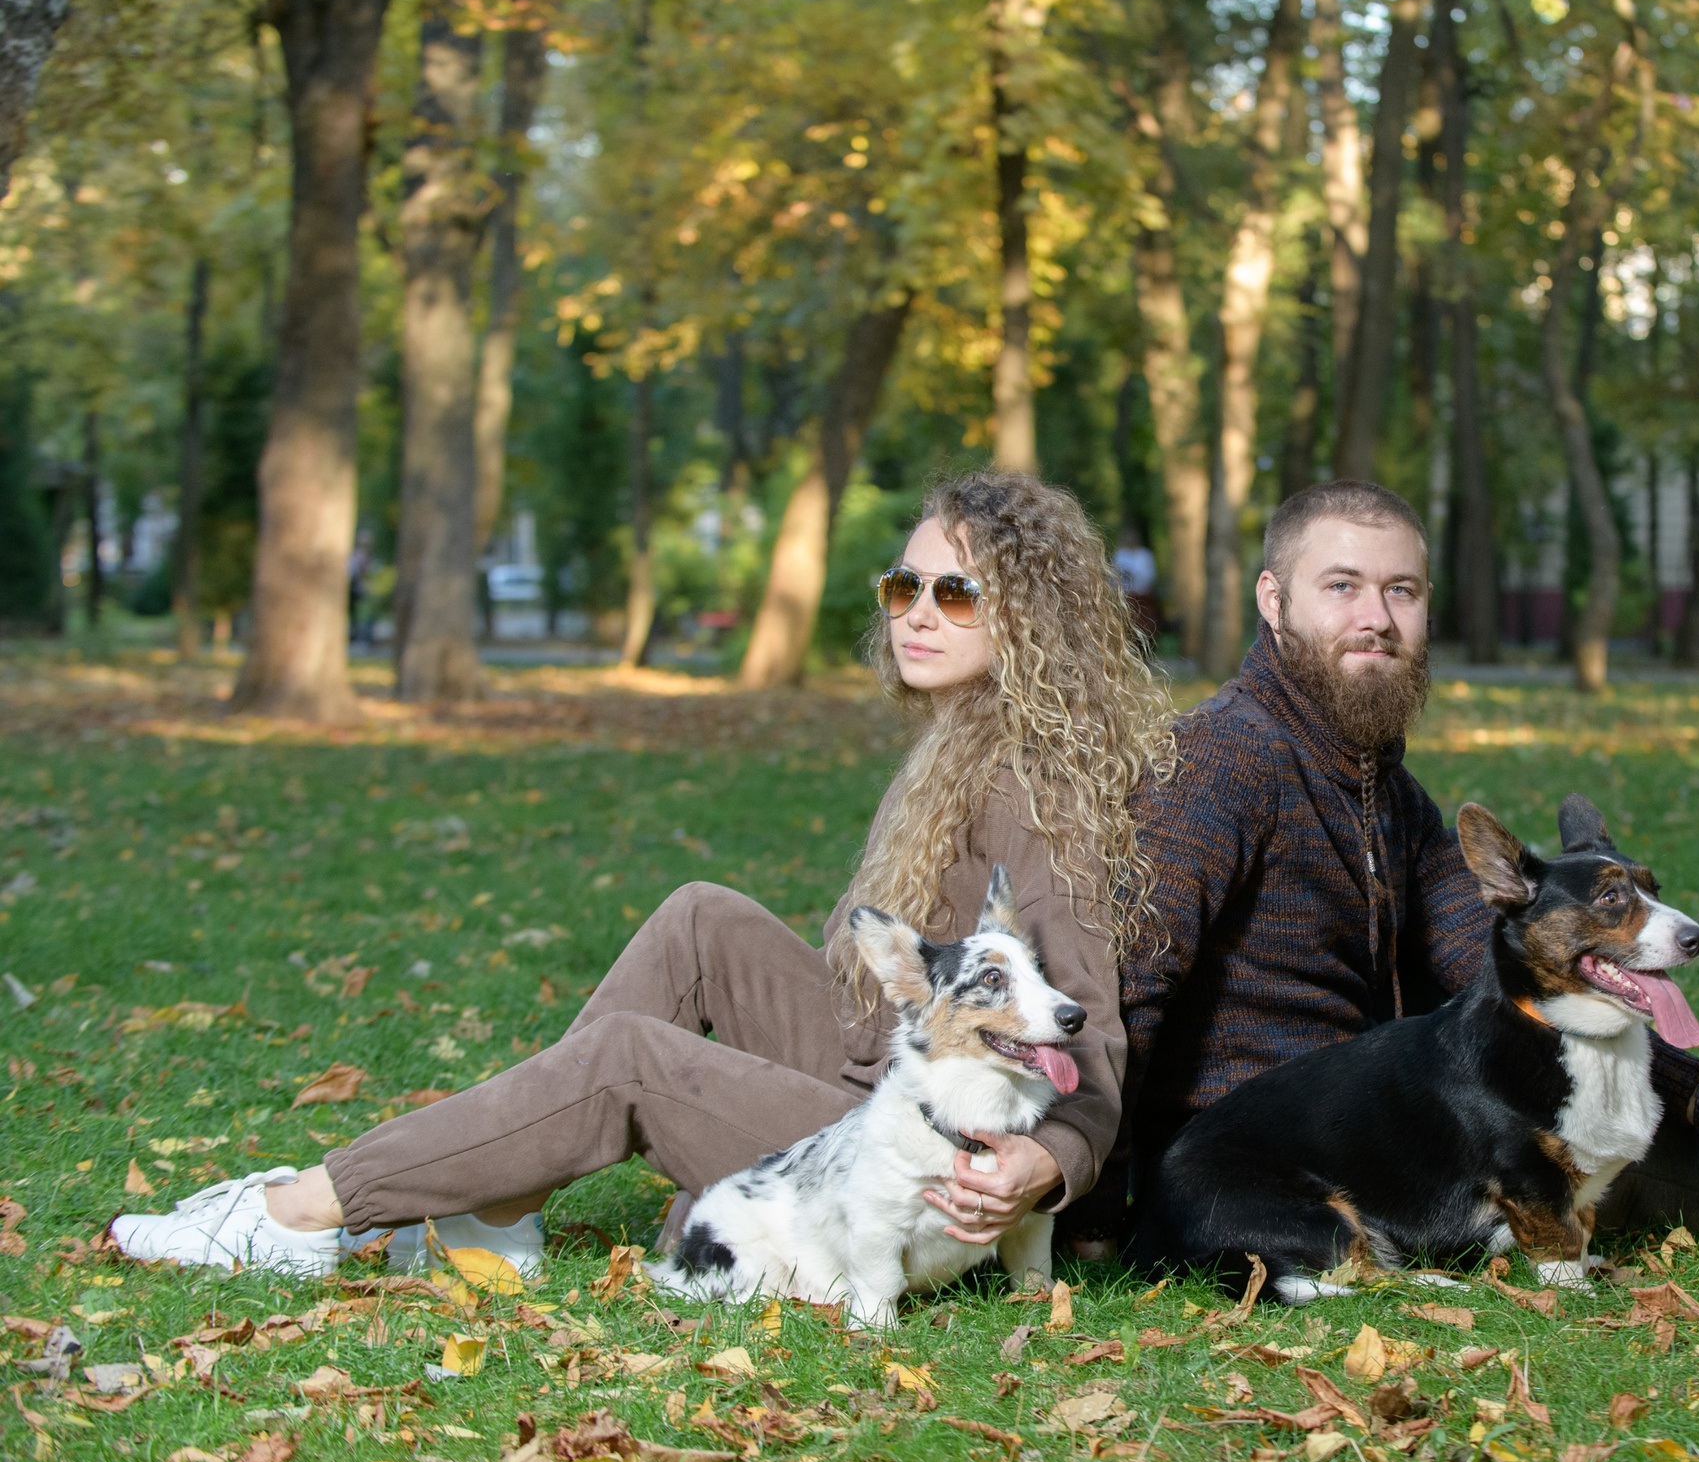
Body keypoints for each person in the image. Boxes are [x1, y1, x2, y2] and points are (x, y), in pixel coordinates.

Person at [113, 473, 1172, 1278]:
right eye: (904, 586)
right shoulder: (957, 740)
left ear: (1031, 620)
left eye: (958, 592)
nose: (917, 613)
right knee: (701, 915)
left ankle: (305, 1211)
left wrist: (1047, 1167)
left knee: (628, 1058)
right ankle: (499, 1200)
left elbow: (1089, 1019)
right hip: (869, 1078)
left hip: (911, 1158)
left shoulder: (1039, 784)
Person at [1060, 480, 1699, 1254]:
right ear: (1273, 598)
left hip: (1422, 1138)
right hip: (1268, 1178)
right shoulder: (1219, 763)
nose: (1377, 620)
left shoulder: (1388, 792)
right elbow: (1129, 993)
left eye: (1402, 591)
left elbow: (1511, 963)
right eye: (1341, 586)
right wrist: (1093, 1215)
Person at [1112, 527, 1161, 642]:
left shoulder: (1145, 555)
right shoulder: (1120, 555)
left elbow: (1150, 575)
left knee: (1144, 623)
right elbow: (1115, 574)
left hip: (1143, 595)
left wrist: (1134, 575)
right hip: (1126, 595)